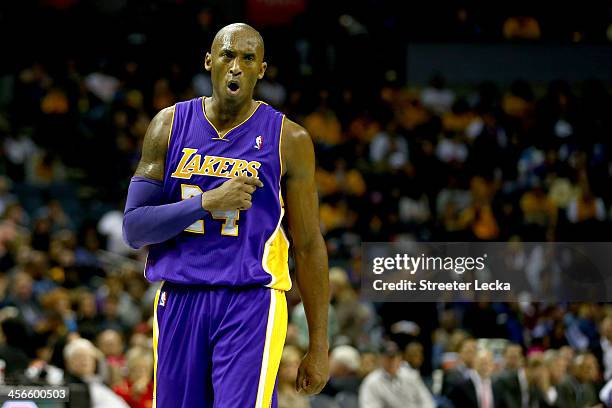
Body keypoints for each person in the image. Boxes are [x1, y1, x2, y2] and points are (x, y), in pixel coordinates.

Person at [122, 23, 329, 407]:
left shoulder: (290, 140)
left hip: (250, 299)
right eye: (228, 55)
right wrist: (206, 203)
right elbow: (134, 228)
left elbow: (310, 245)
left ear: (261, 70)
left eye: (248, 58)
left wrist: (319, 345)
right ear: (209, 62)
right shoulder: (168, 125)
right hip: (180, 295)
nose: (236, 66)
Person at [359, 341, 435, 408]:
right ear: (381, 359)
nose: (392, 361)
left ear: (400, 358)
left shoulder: (411, 376)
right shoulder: (371, 381)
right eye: (388, 358)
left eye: (395, 357)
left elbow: (427, 402)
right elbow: (368, 405)